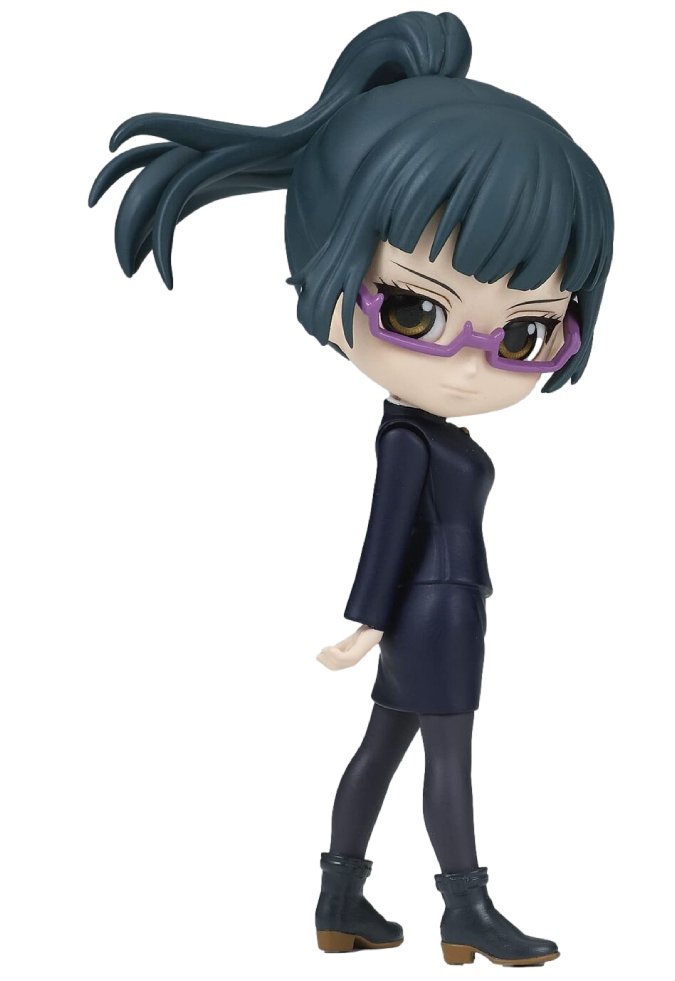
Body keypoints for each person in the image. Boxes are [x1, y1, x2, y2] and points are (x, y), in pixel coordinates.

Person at [90, 11, 613, 967]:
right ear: (326, 279)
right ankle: (465, 909)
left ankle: (340, 899)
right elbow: (386, 531)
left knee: (381, 747)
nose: (471, 366)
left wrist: (378, 620)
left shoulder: (422, 431)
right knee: (446, 755)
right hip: (436, 612)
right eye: (414, 309)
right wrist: (366, 621)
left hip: (435, 610)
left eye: (525, 333)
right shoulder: (408, 439)